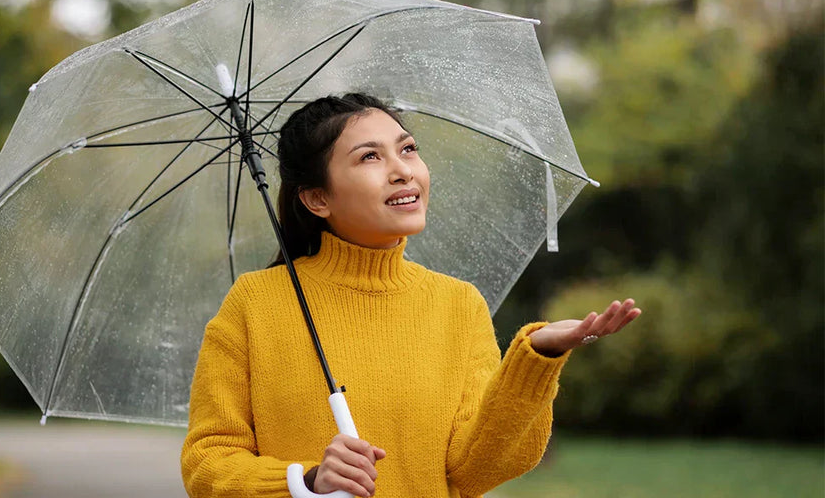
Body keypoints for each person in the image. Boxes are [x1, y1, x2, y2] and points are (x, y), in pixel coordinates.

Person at [180, 93, 641, 497]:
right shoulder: (256, 304)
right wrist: (308, 480)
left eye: (408, 149)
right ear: (317, 199)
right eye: (369, 157)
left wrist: (535, 358)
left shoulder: (458, 305)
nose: (403, 171)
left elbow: (477, 469)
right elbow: (207, 463)